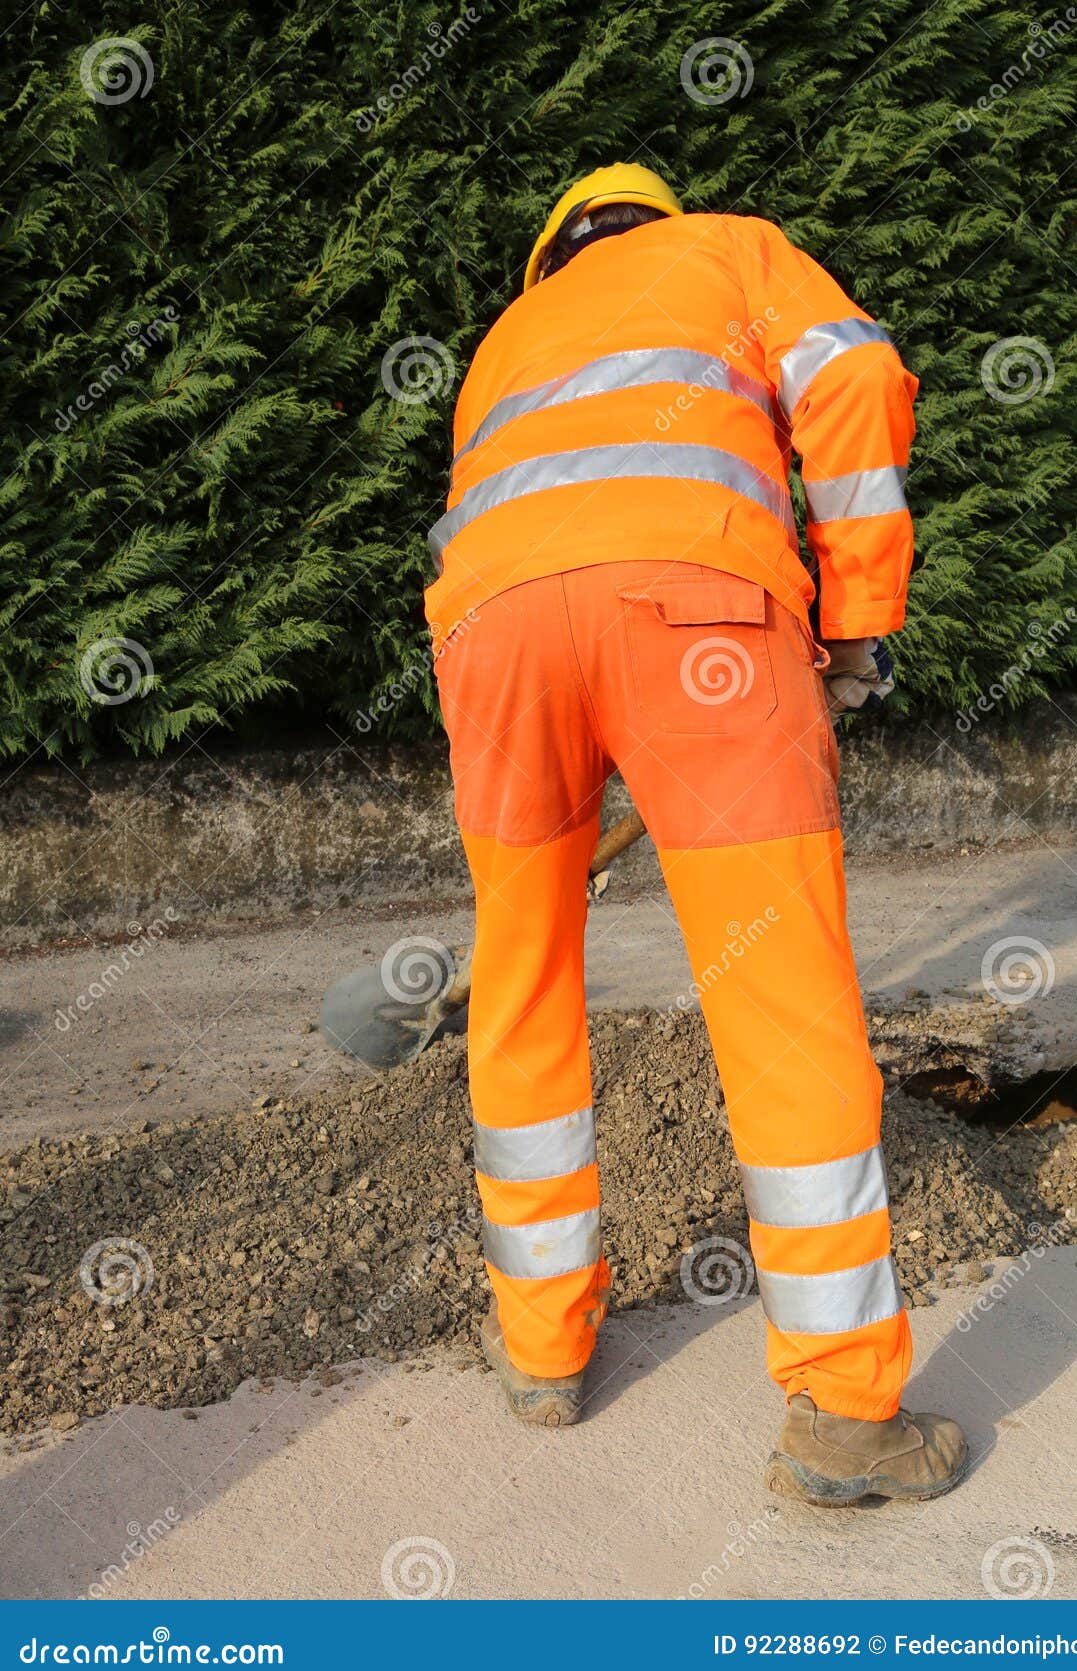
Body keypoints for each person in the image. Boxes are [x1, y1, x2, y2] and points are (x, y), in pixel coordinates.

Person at [425, 163, 967, 1504]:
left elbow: (547, 554)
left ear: (556, 252)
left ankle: (542, 1349)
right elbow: (849, 378)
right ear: (656, 217)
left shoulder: (504, 342)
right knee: (779, 991)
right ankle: (844, 1412)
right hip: (704, 616)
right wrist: (853, 627)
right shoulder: (731, 250)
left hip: (492, 641)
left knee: (524, 969)